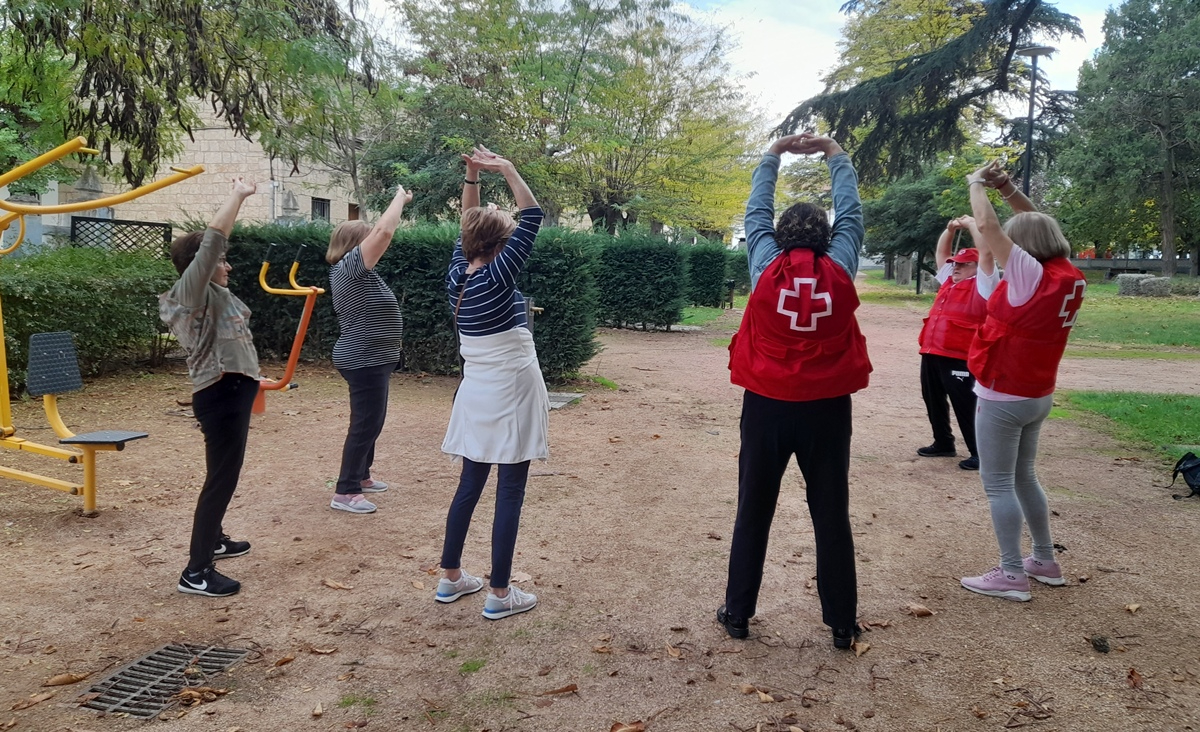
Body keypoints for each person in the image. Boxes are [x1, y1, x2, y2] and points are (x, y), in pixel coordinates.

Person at [718, 133, 871, 649]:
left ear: (776, 235)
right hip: (827, 407)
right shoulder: (841, 266)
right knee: (831, 512)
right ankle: (842, 622)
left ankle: (738, 613)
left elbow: (755, 212)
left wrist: (773, 154)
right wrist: (834, 153)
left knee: (753, 508)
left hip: (767, 403)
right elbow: (852, 214)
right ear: (829, 236)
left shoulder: (765, 263)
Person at [958, 160, 1085, 602]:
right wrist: (1008, 188)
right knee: (1024, 477)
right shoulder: (1064, 272)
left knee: (998, 484)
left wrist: (977, 184)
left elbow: (988, 226)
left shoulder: (1027, 274)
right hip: (1037, 392)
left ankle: (1011, 572)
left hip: (1005, 392)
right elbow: (1038, 224)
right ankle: (1044, 560)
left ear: (1024, 248)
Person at [435, 146, 548, 620]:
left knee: (470, 484)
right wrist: (507, 169)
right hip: (511, 392)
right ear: (501, 245)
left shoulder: (458, 277)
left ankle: (451, 576)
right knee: (510, 490)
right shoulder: (498, 278)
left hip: (476, 393)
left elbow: (469, 225)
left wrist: (472, 177)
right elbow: (533, 215)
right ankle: (500, 593)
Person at [161, 179, 261, 598]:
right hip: (220, 396)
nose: (227, 266)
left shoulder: (218, 294)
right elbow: (212, 242)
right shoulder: (190, 293)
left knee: (223, 475)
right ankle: (196, 571)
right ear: (199, 265)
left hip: (233, 393)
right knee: (221, 479)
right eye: (221, 261)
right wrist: (238, 196)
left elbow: (235, 345)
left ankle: (215, 539)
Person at [325, 185, 412, 514]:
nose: (374, 245)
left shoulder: (361, 273)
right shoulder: (350, 267)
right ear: (354, 245)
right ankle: (345, 492)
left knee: (372, 421)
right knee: (364, 424)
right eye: (367, 240)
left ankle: (361, 476)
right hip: (363, 358)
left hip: (374, 358)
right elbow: (384, 232)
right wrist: (400, 198)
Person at [916, 218, 990, 471]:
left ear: (977, 267)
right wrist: (949, 231)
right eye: (955, 263)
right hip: (932, 351)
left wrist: (972, 226)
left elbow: (987, 254)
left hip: (960, 355)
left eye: (964, 264)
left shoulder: (983, 284)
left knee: (966, 404)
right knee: (932, 399)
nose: (956, 267)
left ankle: (979, 452)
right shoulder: (950, 281)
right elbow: (942, 254)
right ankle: (943, 442)